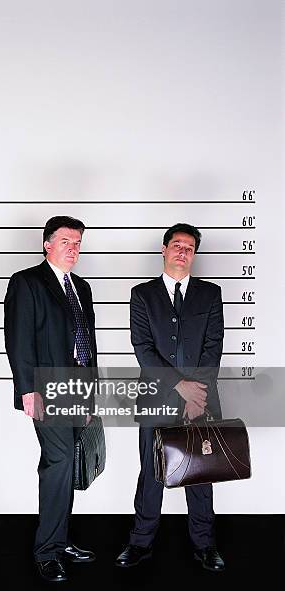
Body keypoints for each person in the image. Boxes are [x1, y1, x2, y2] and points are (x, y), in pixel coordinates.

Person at [115, 223, 225, 572]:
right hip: (156, 398)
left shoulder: (210, 294)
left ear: (194, 254)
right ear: (164, 250)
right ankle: (140, 543)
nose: (183, 251)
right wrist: (181, 386)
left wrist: (197, 395)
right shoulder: (142, 294)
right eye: (177, 245)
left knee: (200, 473)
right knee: (151, 472)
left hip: (201, 401)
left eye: (189, 247)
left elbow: (213, 348)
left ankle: (205, 544)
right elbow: (143, 350)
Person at [4, 216, 98, 582]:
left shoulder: (82, 287)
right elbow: (18, 339)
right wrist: (28, 389)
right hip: (46, 387)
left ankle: (60, 539)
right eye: (65, 242)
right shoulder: (27, 282)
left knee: (67, 463)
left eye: (77, 243)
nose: (73, 249)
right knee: (58, 463)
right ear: (47, 244)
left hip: (78, 386)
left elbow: (89, 345)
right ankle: (47, 551)